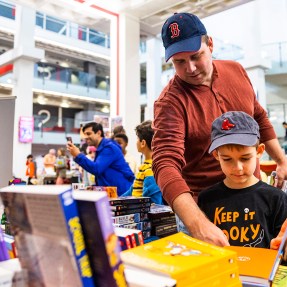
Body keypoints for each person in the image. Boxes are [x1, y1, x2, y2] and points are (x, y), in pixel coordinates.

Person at [152, 12, 287, 247]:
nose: (190, 68)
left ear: (210, 44)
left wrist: (281, 160)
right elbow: (165, 163)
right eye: (179, 62)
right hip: (204, 209)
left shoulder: (236, 71)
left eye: (196, 56)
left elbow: (258, 116)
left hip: (253, 198)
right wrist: (197, 223)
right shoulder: (170, 102)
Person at [197, 111, 287, 248]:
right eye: (227, 159)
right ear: (216, 155)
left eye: (245, 158)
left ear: (259, 151)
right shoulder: (207, 198)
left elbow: (281, 248)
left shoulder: (276, 198)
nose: (237, 167)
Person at [66, 122, 134, 196]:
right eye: (85, 134)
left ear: (98, 133)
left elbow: (96, 169)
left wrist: (78, 155)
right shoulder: (102, 149)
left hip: (122, 195)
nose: (86, 137)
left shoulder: (109, 148)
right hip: (114, 194)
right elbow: (102, 175)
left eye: (88, 134)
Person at [122, 121, 163, 204]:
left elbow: (155, 202)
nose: (136, 141)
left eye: (137, 138)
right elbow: (132, 191)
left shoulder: (151, 170)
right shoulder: (146, 167)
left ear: (143, 143)